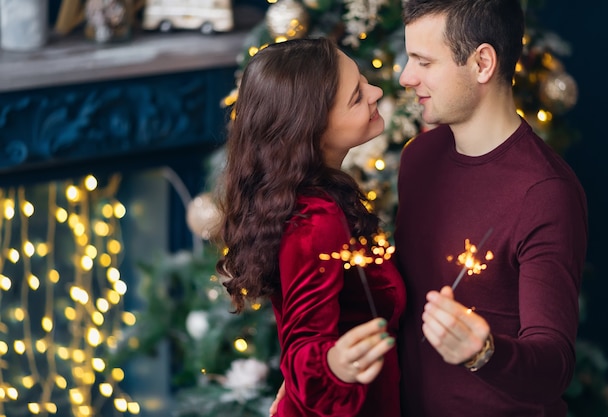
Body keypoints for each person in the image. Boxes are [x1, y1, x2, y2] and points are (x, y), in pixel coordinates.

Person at [394, 0, 588, 416]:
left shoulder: (545, 192)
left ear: (482, 63)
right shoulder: (417, 159)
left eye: (424, 62)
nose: (406, 77)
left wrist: (483, 353)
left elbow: (555, 365)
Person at [215, 37, 406, 417]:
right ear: (312, 129)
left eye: (363, 80)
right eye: (356, 96)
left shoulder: (310, 199)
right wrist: (333, 366)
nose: (376, 91)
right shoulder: (316, 220)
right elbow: (304, 348)